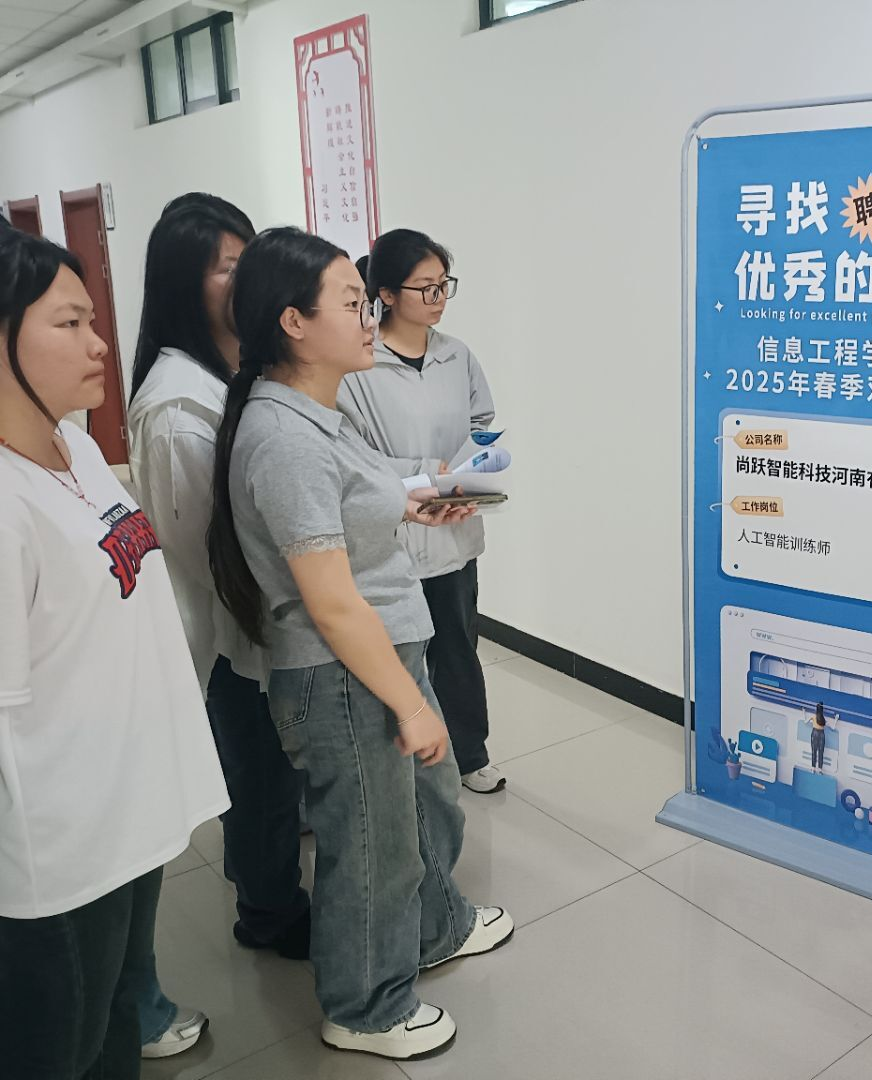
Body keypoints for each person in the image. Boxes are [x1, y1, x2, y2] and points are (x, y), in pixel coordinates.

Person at [207, 226, 513, 1060]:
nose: (369, 316)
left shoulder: (318, 410)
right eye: (352, 302)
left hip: (382, 645)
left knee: (425, 806)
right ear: (294, 323)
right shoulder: (283, 436)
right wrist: (410, 704)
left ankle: (435, 928)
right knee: (372, 845)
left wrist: (416, 501)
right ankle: (365, 1007)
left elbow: (359, 495)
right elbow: (333, 603)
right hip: (342, 670)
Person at [0, 230, 230, 1077]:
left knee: (113, 1025)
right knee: (61, 1044)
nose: (100, 343)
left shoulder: (81, 449)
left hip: (125, 808)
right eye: (69, 324)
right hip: (62, 846)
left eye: (93, 320)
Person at [126, 196, 312, 1043]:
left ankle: (266, 880)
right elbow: (205, 548)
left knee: (268, 774)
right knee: (258, 775)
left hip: (263, 621)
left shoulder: (234, 364)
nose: (243, 278)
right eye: (225, 266)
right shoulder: (175, 406)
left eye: (247, 258)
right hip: (233, 632)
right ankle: (268, 911)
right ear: (182, 283)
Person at [338, 229, 503, 795]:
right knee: (401, 654)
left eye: (443, 285)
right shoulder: (360, 363)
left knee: (458, 648)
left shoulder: (457, 355)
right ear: (386, 294)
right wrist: (426, 472)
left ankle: (470, 755)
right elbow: (351, 453)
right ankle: (403, 766)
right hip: (393, 533)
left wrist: (477, 463)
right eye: (424, 287)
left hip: (455, 529)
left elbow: (483, 422)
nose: (438, 298)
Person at [809, 702, 827, 771]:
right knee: (821, 752)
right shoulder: (823, 719)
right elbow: (833, 728)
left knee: (814, 750)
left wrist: (803, 712)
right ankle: (820, 769)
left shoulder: (813, 717)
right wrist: (836, 719)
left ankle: (813, 767)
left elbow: (805, 721)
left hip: (815, 733)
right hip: (822, 734)